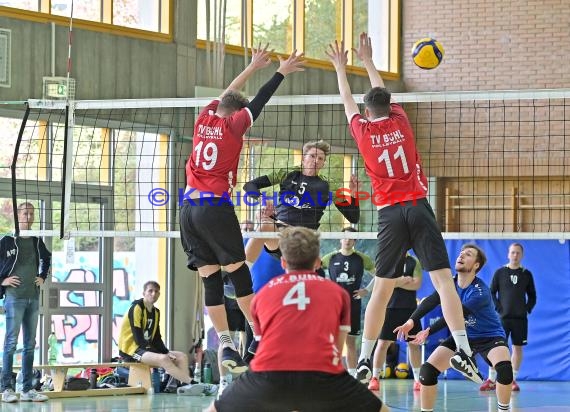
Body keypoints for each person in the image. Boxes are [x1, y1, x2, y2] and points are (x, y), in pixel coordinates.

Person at [326, 32, 480, 384]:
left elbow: (347, 98)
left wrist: (340, 65)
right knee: (444, 283)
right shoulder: (402, 122)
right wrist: (368, 60)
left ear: (367, 113)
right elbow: (380, 92)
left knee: (381, 288)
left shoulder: (363, 132)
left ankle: (364, 359)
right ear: (390, 106)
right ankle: (464, 352)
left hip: (390, 213)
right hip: (418, 205)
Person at [179, 44, 305, 374]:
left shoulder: (203, 119)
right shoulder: (233, 126)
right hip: (214, 208)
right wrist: (280, 72)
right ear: (237, 115)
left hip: (187, 210)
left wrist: (251, 67)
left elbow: (228, 94)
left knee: (210, 279)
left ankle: (225, 343)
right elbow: (258, 101)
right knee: (238, 273)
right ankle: (260, 336)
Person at [209, 226, 387, 412]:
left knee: (215, 409)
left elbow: (262, 344)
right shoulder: (339, 294)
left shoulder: (263, 294)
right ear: (318, 262)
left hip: (269, 375)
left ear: (283, 263)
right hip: (322, 375)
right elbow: (336, 346)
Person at [394, 244, 513, 412]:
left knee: (505, 371)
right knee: (427, 372)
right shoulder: (450, 284)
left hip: (490, 337)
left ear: (476, 265)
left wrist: (428, 331)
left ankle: (503, 409)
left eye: (468, 254)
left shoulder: (480, 292)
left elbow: (457, 314)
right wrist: (411, 322)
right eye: (461, 253)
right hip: (463, 337)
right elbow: (432, 300)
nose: (462, 256)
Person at [242, 139, 360, 264]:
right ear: (304, 158)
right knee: (264, 226)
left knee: (307, 272)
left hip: (305, 238)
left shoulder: (328, 185)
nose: (316, 160)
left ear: (323, 164)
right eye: (313, 156)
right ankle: (242, 273)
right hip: (281, 234)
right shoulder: (288, 173)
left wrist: (354, 194)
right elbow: (249, 186)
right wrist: (263, 199)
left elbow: (353, 218)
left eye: (320, 158)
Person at [118, 281, 214, 394]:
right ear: (143, 293)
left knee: (181, 357)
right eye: (150, 291)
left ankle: (185, 388)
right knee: (163, 359)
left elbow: (156, 338)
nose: (154, 294)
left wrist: (166, 351)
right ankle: (193, 384)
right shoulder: (136, 308)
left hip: (145, 350)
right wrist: (161, 354)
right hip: (131, 351)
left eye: (156, 291)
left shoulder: (156, 312)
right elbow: (138, 338)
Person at [0, 202, 50, 403]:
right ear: (17, 216)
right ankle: (6, 389)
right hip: (14, 298)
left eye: (31, 214)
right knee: (11, 344)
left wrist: (42, 277)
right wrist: (2, 281)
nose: (28, 217)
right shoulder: (7, 241)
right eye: (25, 213)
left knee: (30, 344)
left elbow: (47, 259)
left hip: (33, 297)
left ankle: (27, 389)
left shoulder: (38, 242)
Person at [357, 253, 423, 392]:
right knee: (382, 344)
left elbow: (416, 284)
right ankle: (375, 378)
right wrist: (404, 280)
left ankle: (417, 380)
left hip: (409, 308)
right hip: (389, 307)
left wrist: (394, 282)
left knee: (413, 344)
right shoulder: (388, 259)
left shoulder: (413, 261)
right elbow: (380, 282)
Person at [480, 243, 537, 392]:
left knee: (517, 348)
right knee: (496, 347)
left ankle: (512, 380)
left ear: (522, 255)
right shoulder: (500, 273)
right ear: (508, 254)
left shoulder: (526, 274)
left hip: (520, 319)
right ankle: (492, 379)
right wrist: (499, 309)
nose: (515, 255)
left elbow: (532, 296)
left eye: (518, 253)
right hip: (502, 319)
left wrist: (526, 309)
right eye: (512, 252)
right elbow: (492, 293)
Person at [321, 227, 374, 377]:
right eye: (345, 237)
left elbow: (379, 275)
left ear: (355, 240)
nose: (347, 240)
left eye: (351, 238)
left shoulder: (362, 258)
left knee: (350, 343)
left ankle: (352, 376)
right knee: (331, 341)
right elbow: (314, 271)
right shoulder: (330, 258)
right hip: (334, 305)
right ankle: (330, 374)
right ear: (340, 238)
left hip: (353, 305)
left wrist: (367, 290)